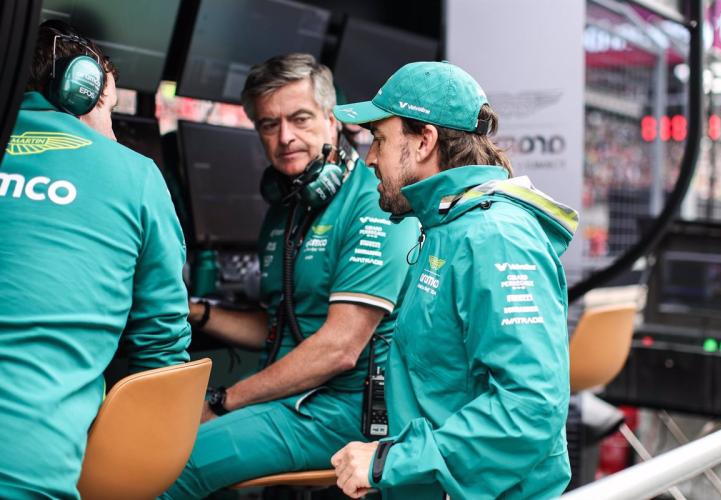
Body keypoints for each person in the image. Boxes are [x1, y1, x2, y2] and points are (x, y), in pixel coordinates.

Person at [162, 54, 418, 498]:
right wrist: (195, 311)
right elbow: (280, 325)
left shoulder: (373, 204)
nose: (285, 137)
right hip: (288, 399)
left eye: (300, 119)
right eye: (269, 124)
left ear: (332, 119)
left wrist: (224, 400)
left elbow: (339, 348)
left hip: (344, 410)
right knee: (154, 439)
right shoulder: (287, 209)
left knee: (169, 465)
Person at [330, 61, 579, 499]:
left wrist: (391, 461)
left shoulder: (495, 237)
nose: (370, 157)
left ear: (424, 141)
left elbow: (530, 408)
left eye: (380, 139)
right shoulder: (448, 225)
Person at [0, 21, 191, 499]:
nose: (114, 129)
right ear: (83, 92)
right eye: (111, 108)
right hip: (29, 477)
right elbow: (161, 353)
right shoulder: (136, 177)